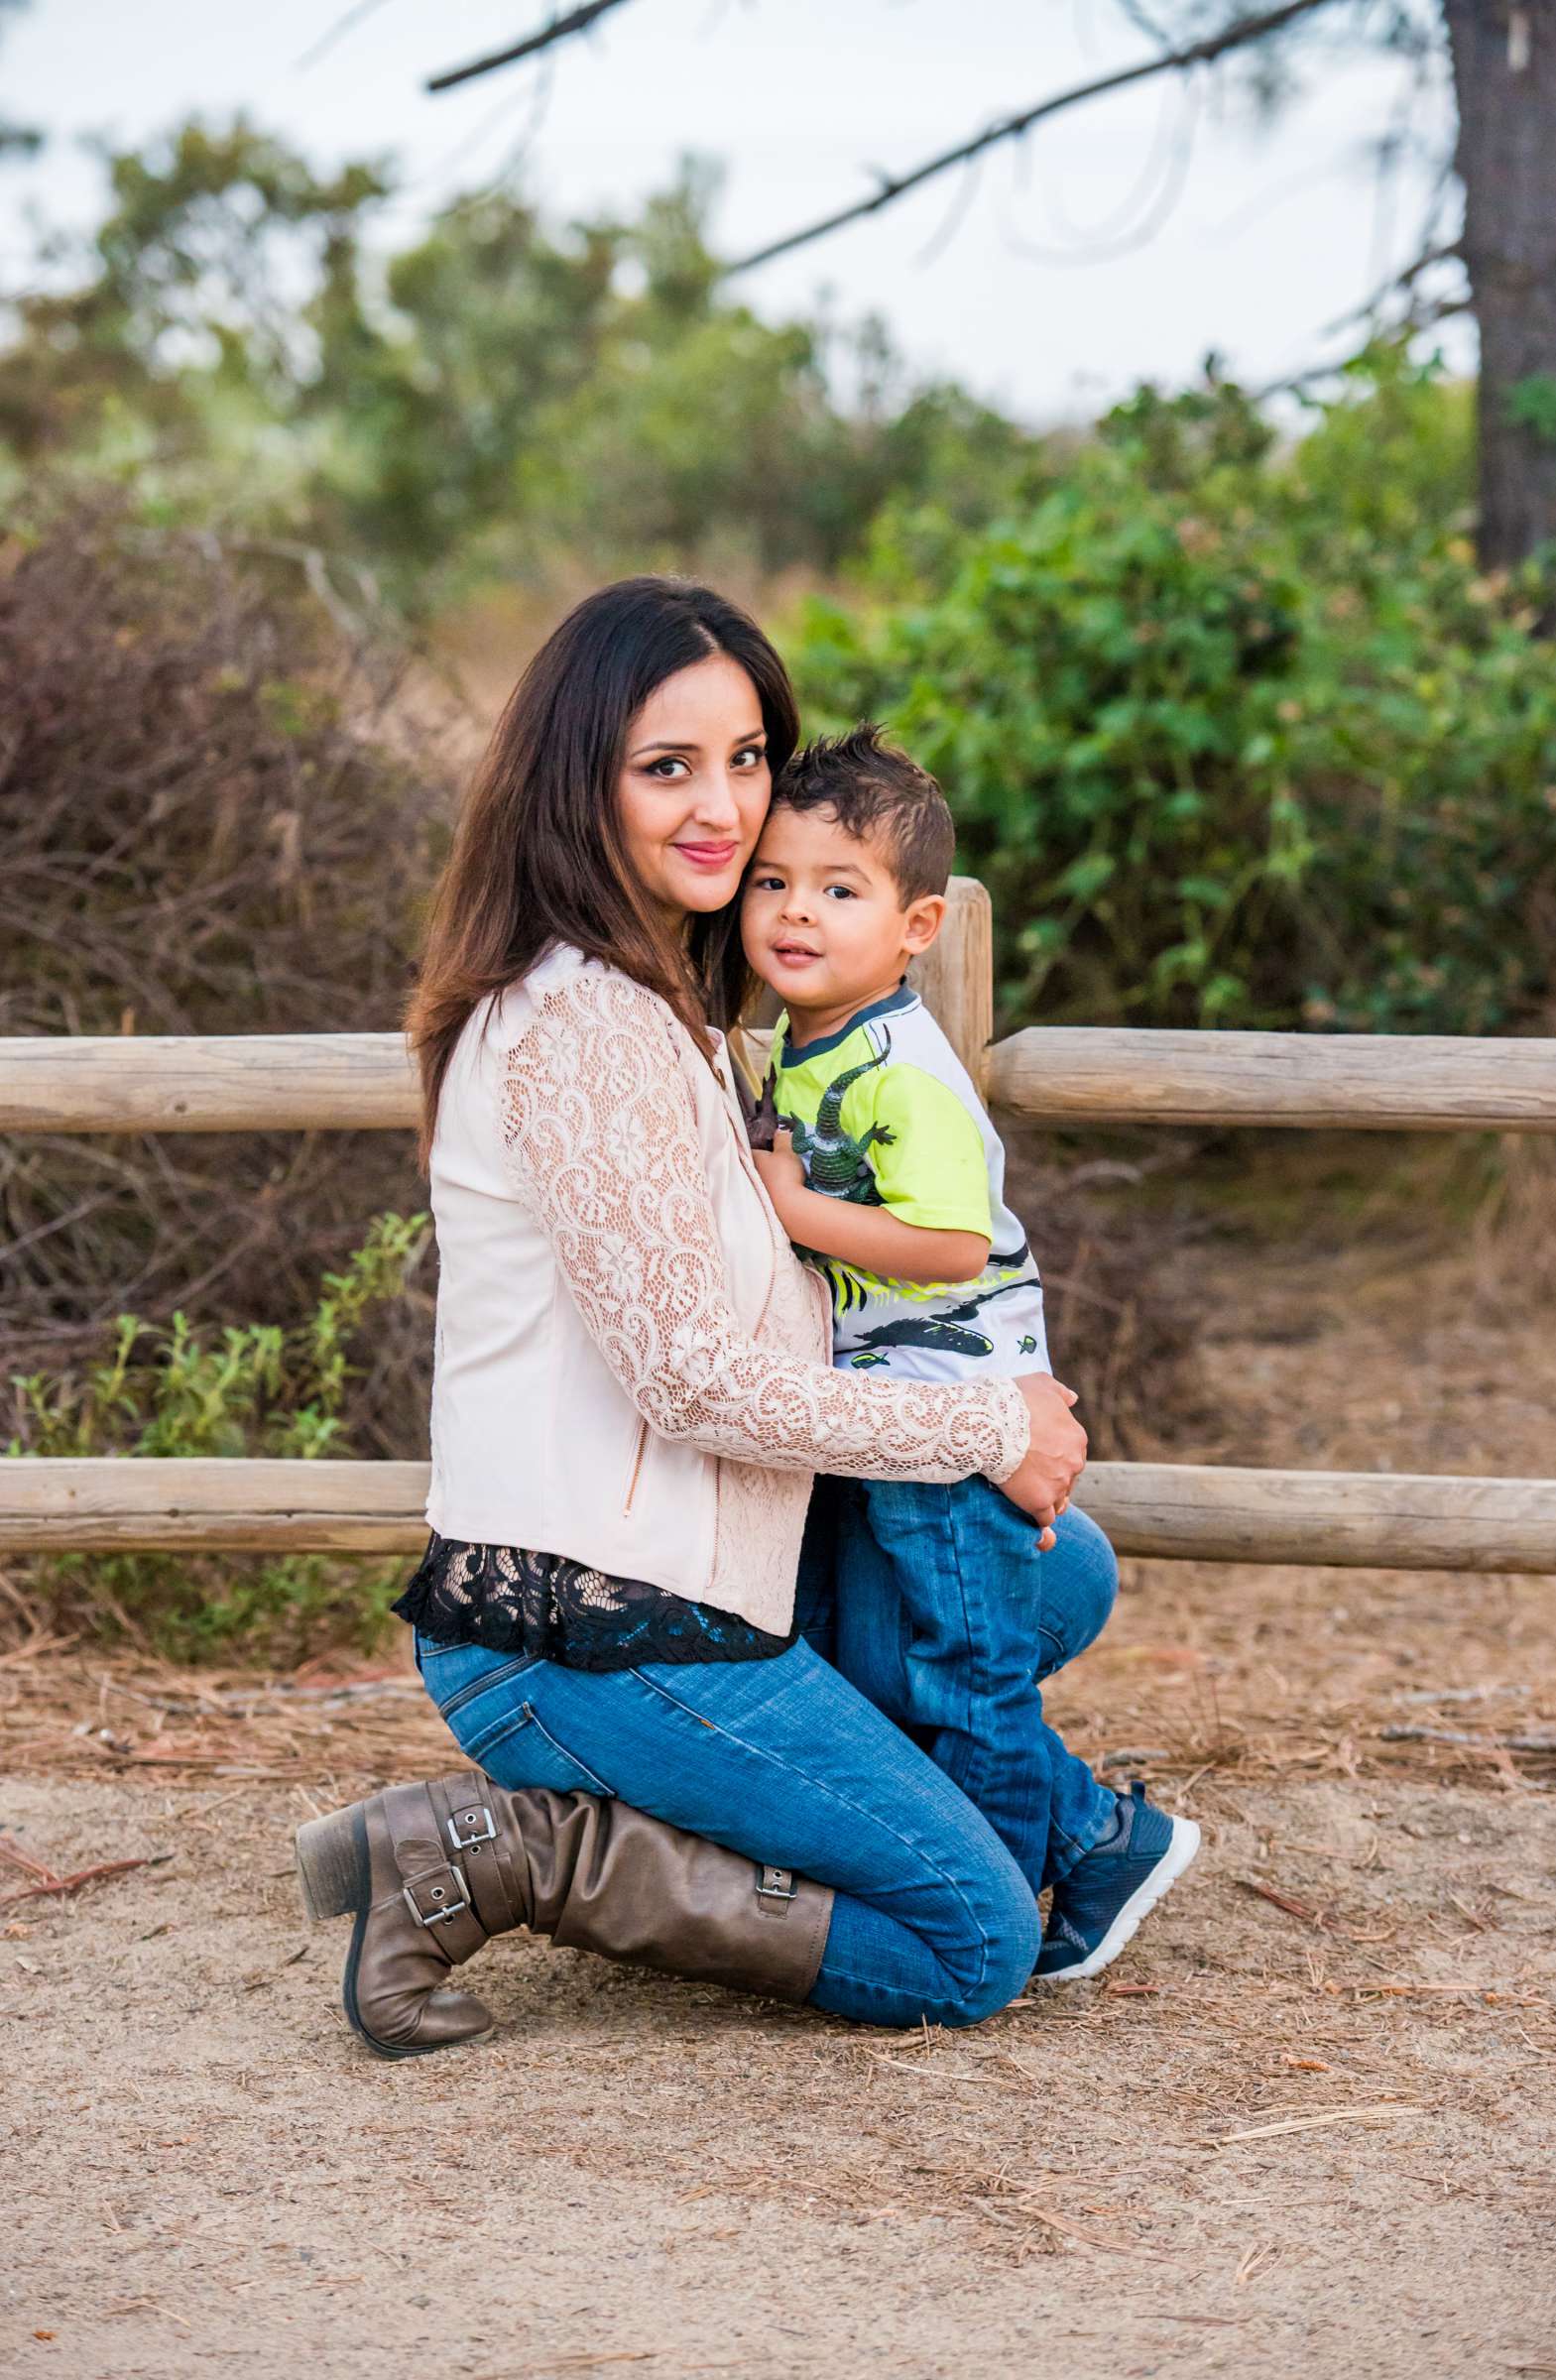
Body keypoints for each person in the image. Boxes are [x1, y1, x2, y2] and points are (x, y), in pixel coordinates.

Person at [294, 577, 1090, 2059]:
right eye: (669, 768)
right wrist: (985, 1421)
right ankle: (532, 1848)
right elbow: (694, 1386)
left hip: (714, 1583)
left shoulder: (671, 1006)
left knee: (1051, 1578)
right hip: (585, 1630)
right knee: (972, 1938)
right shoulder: (581, 1027)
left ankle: (829, 1811)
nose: (724, 806)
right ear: (575, 781)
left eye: (747, 760)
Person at [740, 727, 1199, 1982]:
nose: (796, 912)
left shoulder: (904, 1068)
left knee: (965, 1678)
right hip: (890, 1414)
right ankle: (1102, 1843)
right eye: (774, 881)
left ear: (918, 925)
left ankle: (991, 1904)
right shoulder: (803, 1037)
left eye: (840, 890)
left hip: (952, 1415)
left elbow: (946, 1244)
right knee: (911, 1662)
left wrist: (789, 1211)